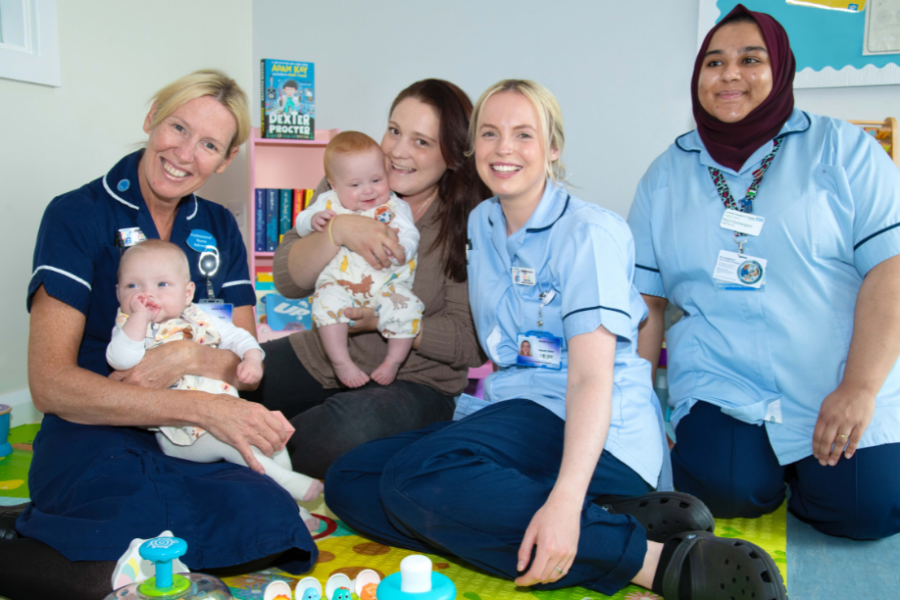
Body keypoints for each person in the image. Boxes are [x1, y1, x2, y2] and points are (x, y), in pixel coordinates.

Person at [326, 80, 785, 600]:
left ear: (552, 150)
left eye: (524, 134)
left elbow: (592, 378)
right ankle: (605, 516)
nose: (504, 148)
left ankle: (653, 562)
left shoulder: (591, 234)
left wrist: (564, 504)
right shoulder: (482, 222)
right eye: (490, 133)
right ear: (473, 146)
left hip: (588, 423)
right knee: (353, 478)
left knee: (415, 478)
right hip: (515, 409)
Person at [1, 70, 316, 600]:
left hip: (194, 435)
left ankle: (48, 527)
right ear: (151, 119)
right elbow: (51, 386)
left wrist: (185, 357)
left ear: (226, 159)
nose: (186, 153)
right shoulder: (76, 214)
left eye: (209, 144)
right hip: (97, 419)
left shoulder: (218, 227)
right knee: (121, 543)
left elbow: (244, 362)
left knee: (271, 525)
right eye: (178, 128)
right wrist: (197, 405)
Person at [627, 4, 900, 540]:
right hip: (723, 379)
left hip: (836, 372)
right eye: (713, 62)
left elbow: (890, 270)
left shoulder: (845, 150)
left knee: (866, 512)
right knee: (722, 494)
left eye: (750, 59)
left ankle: (812, 474)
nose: (729, 74)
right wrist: (632, 408)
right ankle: (776, 471)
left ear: (781, 71)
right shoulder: (665, 174)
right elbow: (646, 302)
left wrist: (859, 388)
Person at [242, 79, 489, 478]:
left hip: (416, 381)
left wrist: (384, 321)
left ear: (453, 155)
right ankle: (239, 450)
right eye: (394, 130)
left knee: (341, 432)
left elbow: (471, 344)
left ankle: (242, 459)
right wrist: (337, 230)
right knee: (227, 384)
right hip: (323, 354)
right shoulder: (355, 179)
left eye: (422, 142)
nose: (397, 152)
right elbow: (288, 280)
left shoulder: (470, 220)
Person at [106, 240, 323, 514]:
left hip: (227, 410)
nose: (147, 293)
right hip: (184, 432)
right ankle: (286, 482)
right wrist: (138, 317)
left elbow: (238, 337)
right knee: (234, 442)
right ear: (118, 293)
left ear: (187, 293)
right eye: (132, 286)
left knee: (271, 438)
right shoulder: (130, 327)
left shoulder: (198, 316)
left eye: (162, 284)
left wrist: (253, 358)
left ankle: (291, 508)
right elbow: (120, 359)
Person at [296, 131, 424, 388]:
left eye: (376, 179)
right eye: (355, 185)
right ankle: (341, 361)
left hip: (389, 284)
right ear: (334, 185)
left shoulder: (395, 207)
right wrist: (311, 220)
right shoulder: (328, 202)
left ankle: (393, 361)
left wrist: (404, 248)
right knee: (326, 302)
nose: (368, 190)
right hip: (341, 284)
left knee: (407, 307)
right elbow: (300, 224)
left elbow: (411, 234)